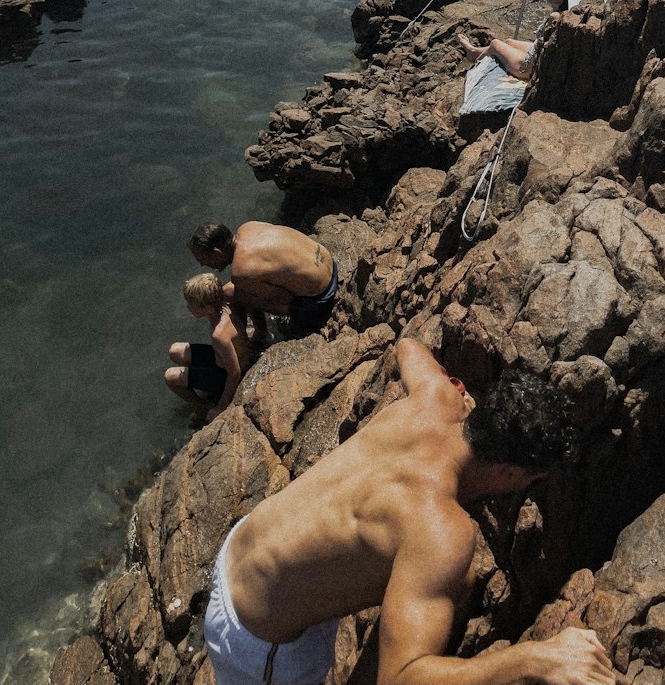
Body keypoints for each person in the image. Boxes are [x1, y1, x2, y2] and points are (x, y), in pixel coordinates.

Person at [204, 338, 615, 685]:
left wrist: (452, 386)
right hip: (256, 637)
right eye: (531, 479)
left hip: (244, 548)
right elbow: (401, 679)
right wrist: (534, 659)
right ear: (509, 471)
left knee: (457, 581)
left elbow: (407, 346)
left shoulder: (436, 397)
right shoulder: (441, 529)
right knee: (445, 573)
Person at [189, 220, 338, 339]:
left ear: (216, 253)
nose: (203, 264)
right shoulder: (248, 227)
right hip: (330, 264)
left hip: (321, 297)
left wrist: (252, 293)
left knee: (231, 292)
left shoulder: (240, 272)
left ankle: (260, 335)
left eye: (203, 259)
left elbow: (284, 299)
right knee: (244, 287)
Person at [166, 273, 253, 423]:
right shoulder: (225, 306)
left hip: (224, 374)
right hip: (219, 357)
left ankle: (203, 407)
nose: (188, 307)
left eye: (191, 304)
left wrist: (221, 408)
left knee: (170, 376)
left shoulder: (219, 335)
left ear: (207, 307)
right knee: (175, 351)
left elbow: (234, 373)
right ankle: (197, 380)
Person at [457, 0, 568, 80]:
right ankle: (475, 52)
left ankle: (473, 57)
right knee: (509, 42)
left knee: (495, 44)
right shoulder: (565, 11)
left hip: (528, 67)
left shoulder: (555, 17)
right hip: (535, 54)